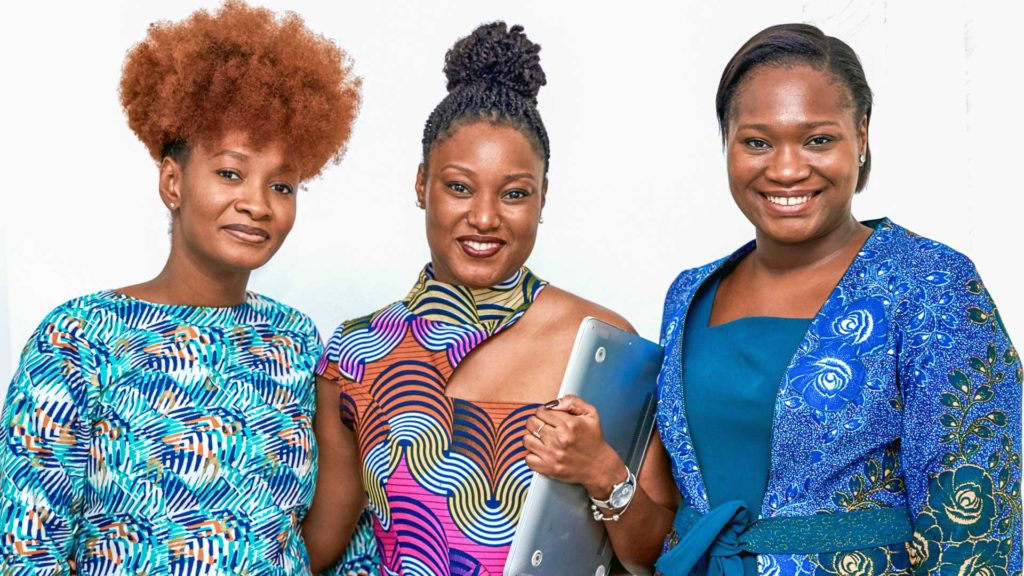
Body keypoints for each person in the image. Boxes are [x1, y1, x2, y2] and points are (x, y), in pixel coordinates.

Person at [0, 2, 365, 574]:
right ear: (172, 180)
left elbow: (323, 538)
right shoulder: (78, 339)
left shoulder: (294, 341)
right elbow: (24, 548)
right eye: (229, 172)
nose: (257, 203)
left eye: (283, 185)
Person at [304, 21, 679, 575]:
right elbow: (321, 542)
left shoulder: (600, 343)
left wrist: (602, 469)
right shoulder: (355, 354)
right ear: (420, 184)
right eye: (458, 186)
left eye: (514, 194)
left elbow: (655, 553)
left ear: (542, 197)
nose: (484, 217)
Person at [647, 23, 1021, 576]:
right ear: (726, 141)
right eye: (757, 141)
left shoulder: (929, 283)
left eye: (818, 139)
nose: (787, 168)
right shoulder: (688, 293)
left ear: (862, 136)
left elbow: (975, 531)